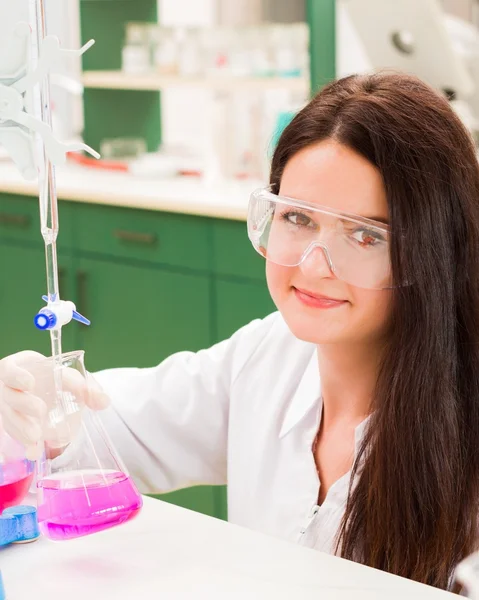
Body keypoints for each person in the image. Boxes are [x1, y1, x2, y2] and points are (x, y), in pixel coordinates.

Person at [1, 71, 479, 591]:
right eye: (297, 218)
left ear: (436, 251)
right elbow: (114, 427)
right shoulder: (268, 356)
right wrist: (38, 402)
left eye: (365, 235)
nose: (315, 266)